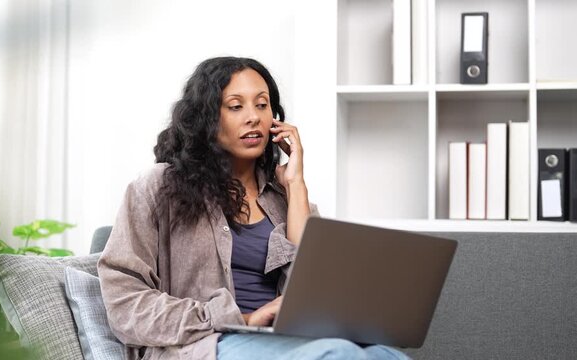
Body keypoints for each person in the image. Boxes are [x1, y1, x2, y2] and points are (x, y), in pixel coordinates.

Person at [97, 57, 409, 360]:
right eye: (236, 106)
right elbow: (125, 303)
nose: (253, 117)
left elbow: (310, 291)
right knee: (336, 354)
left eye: (262, 105)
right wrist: (242, 319)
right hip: (206, 343)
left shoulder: (284, 194)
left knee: (387, 355)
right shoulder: (159, 187)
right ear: (205, 118)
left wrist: (296, 184)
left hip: (288, 341)